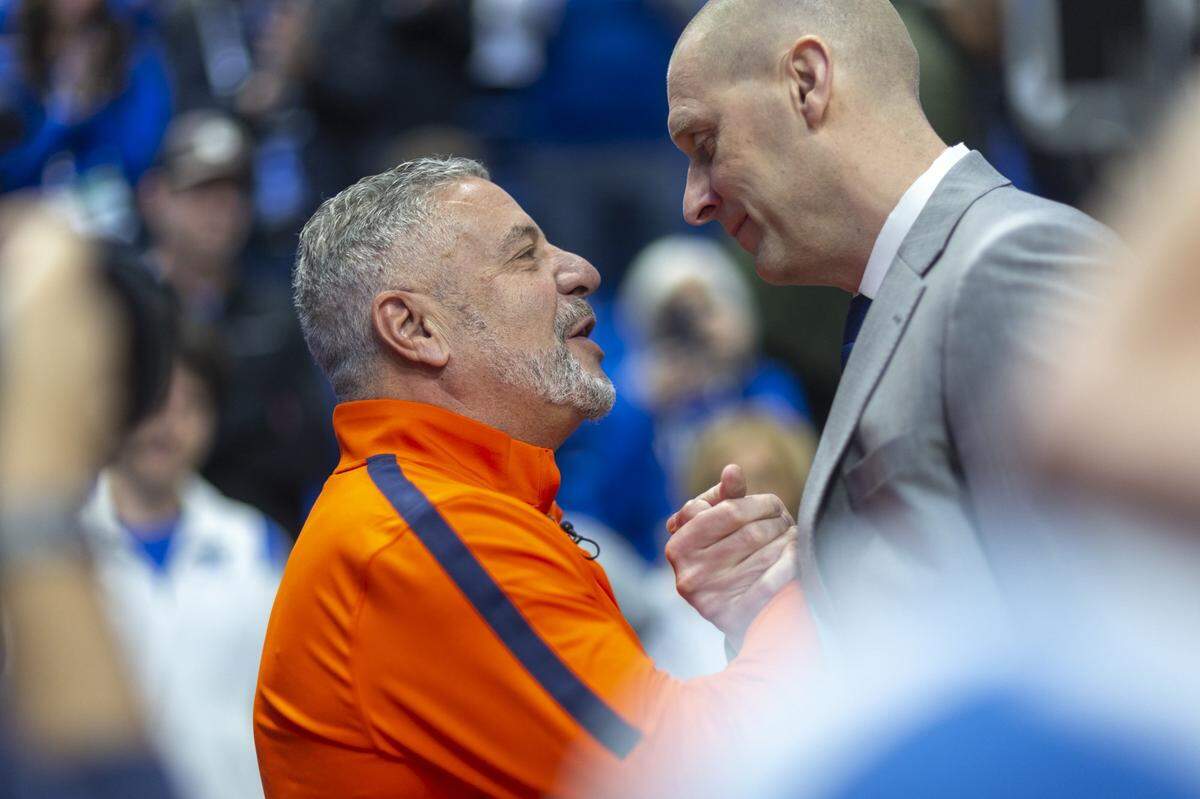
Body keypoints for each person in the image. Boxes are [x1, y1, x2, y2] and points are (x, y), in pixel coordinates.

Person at [254, 157, 812, 798]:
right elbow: (692, 779)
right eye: (525, 257)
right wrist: (779, 602)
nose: (582, 272)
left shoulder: (445, 511)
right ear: (414, 328)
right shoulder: (417, 539)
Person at [665, 0, 1116, 622]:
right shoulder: (915, 291)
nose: (695, 202)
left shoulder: (1013, 264)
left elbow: (1104, 639)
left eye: (708, 144)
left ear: (806, 82)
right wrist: (779, 609)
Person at [79, 331, 285, 799]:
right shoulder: (61, 547)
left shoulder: (254, 545)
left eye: (191, 403)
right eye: (154, 398)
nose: (169, 423)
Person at [139, 109, 336, 536]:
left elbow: (314, 445)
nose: (221, 210)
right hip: (138, 530)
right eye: (201, 192)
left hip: (264, 540)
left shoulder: (281, 313)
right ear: (155, 198)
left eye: (234, 192)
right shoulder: (127, 312)